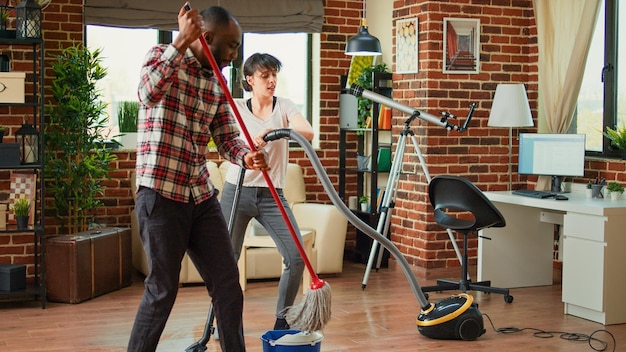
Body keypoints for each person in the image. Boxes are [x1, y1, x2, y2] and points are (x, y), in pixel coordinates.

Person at [128, 4, 267, 352]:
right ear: (206, 38)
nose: (236, 55)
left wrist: (245, 155)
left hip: (200, 195)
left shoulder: (216, 82)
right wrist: (179, 43)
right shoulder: (161, 55)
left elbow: (225, 136)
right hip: (160, 195)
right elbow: (146, 93)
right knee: (162, 291)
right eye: (232, 45)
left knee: (227, 284)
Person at [220, 53, 315, 331]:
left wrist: (276, 130)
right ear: (249, 80)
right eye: (265, 76)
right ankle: (222, 321)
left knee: (296, 257)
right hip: (237, 192)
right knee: (226, 262)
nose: (272, 80)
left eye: (274, 74)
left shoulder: (284, 106)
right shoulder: (236, 108)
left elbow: (306, 132)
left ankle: (282, 321)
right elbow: (226, 146)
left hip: (273, 195)